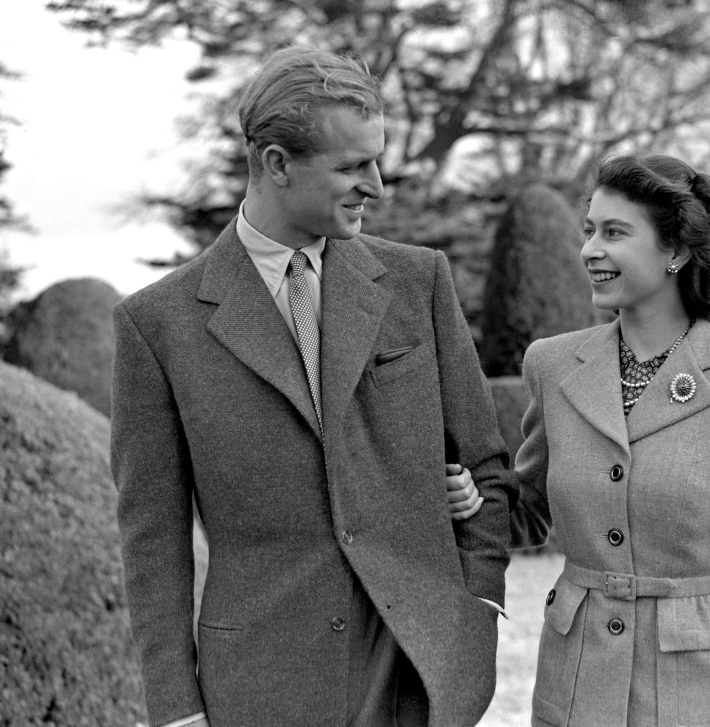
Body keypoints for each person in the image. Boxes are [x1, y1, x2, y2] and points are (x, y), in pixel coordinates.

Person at [111, 46, 514, 727]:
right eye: (354, 166)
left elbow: (487, 468)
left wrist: (475, 610)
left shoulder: (419, 283)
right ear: (275, 163)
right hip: (258, 690)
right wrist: (177, 711)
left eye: (378, 160)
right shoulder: (157, 325)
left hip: (417, 679)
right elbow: (153, 540)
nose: (378, 186)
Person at [451, 155, 710, 726]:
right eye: (589, 230)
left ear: (677, 250)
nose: (590, 249)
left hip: (701, 698)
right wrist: (475, 500)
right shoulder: (552, 364)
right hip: (574, 690)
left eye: (615, 232)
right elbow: (531, 512)